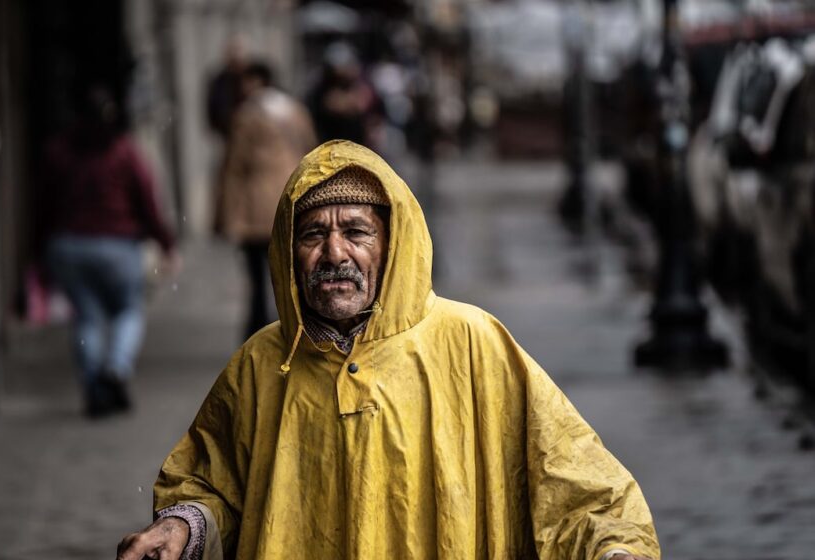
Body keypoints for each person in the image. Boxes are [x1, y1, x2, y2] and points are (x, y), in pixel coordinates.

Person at [117, 141, 660, 560]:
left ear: (391, 244)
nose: (334, 252)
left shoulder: (475, 343)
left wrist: (613, 550)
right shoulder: (260, 363)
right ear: (288, 251)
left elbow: (575, 482)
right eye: (312, 235)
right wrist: (183, 525)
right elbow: (211, 483)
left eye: (357, 232)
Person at [38, 83, 179, 418]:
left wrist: (39, 251)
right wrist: (165, 242)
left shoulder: (58, 151)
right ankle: (116, 369)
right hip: (118, 245)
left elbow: (42, 206)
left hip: (69, 245)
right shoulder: (124, 151)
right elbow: (147, 200)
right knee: (129, 310)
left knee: (86, 316)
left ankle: (92, 385)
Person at [214, 61, 316, 337]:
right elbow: (310, 147)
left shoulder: (247, 115)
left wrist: (225, 215)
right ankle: (297, 326)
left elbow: (234, 166)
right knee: (292, 270)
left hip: (257, 205)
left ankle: (259, 332)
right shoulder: (294, 111)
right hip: (292, 197)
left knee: (258, 276)